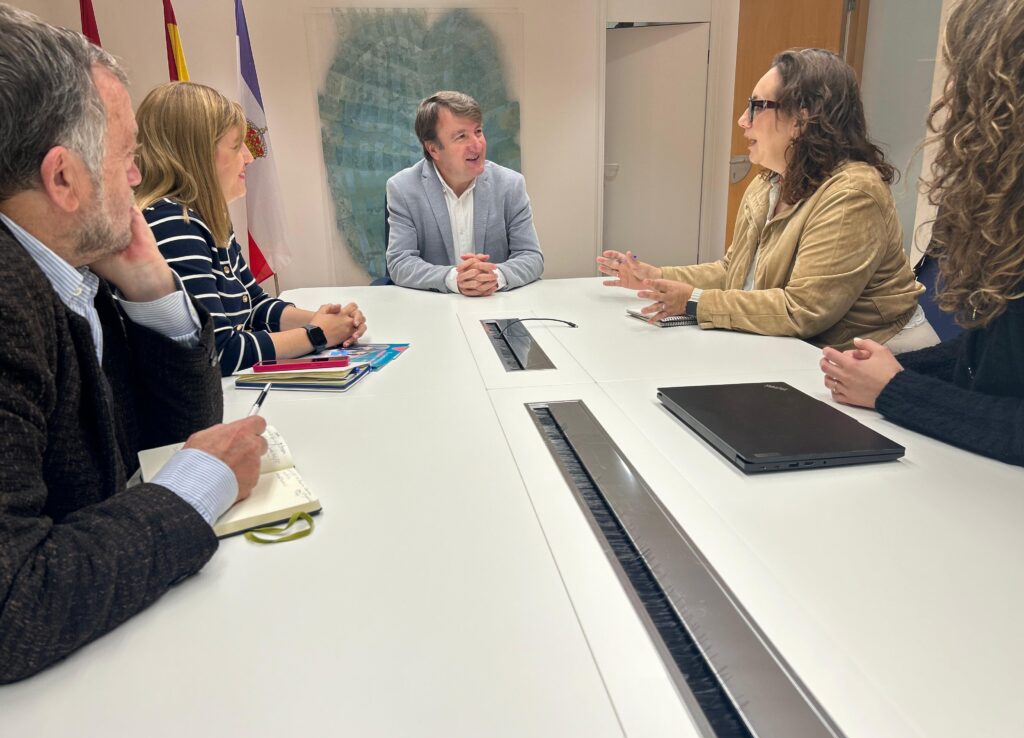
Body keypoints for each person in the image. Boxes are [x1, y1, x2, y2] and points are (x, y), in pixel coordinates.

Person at [0, 6, 268, 683]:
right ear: (63, 179)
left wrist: (151, 288)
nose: (138, 179)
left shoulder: (77, 262)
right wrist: (201, 482)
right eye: (126, 158)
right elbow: (14, 606)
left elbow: (169, 438)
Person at [599, 48, 937, 352]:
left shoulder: (852, 193)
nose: (742, 120)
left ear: (802, 119)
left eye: (756, 107)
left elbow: (803, 310)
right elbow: (733, 271)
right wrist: (656, 276)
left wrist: (694, 302)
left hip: (886, 358)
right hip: (804, 351)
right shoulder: (768, 183)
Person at [819, 0, 1024, 467]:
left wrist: (895, 387)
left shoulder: (853, 188)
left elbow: (804, 308)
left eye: (962, 75)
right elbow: (989, 357)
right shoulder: (1005, 207)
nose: (946, 95)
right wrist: (880, 373)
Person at [135, 82, 367, 376]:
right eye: (236, 146)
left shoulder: (207, 218)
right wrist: (316, 335)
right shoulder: (173, 223)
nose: (249, 156)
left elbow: (254, 305)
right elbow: (219, 351)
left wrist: (331, 322)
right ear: (195, 154)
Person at [385, 90, 543, 295]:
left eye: (478, 131)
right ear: (433, 149)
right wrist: (454, 279)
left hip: (497, 303)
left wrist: (495, 277)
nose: (477, 145)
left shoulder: (510, 185)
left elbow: (531, 256)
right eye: (461, 136)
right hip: (435, 306)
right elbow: (400, 263)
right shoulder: (403, 188)